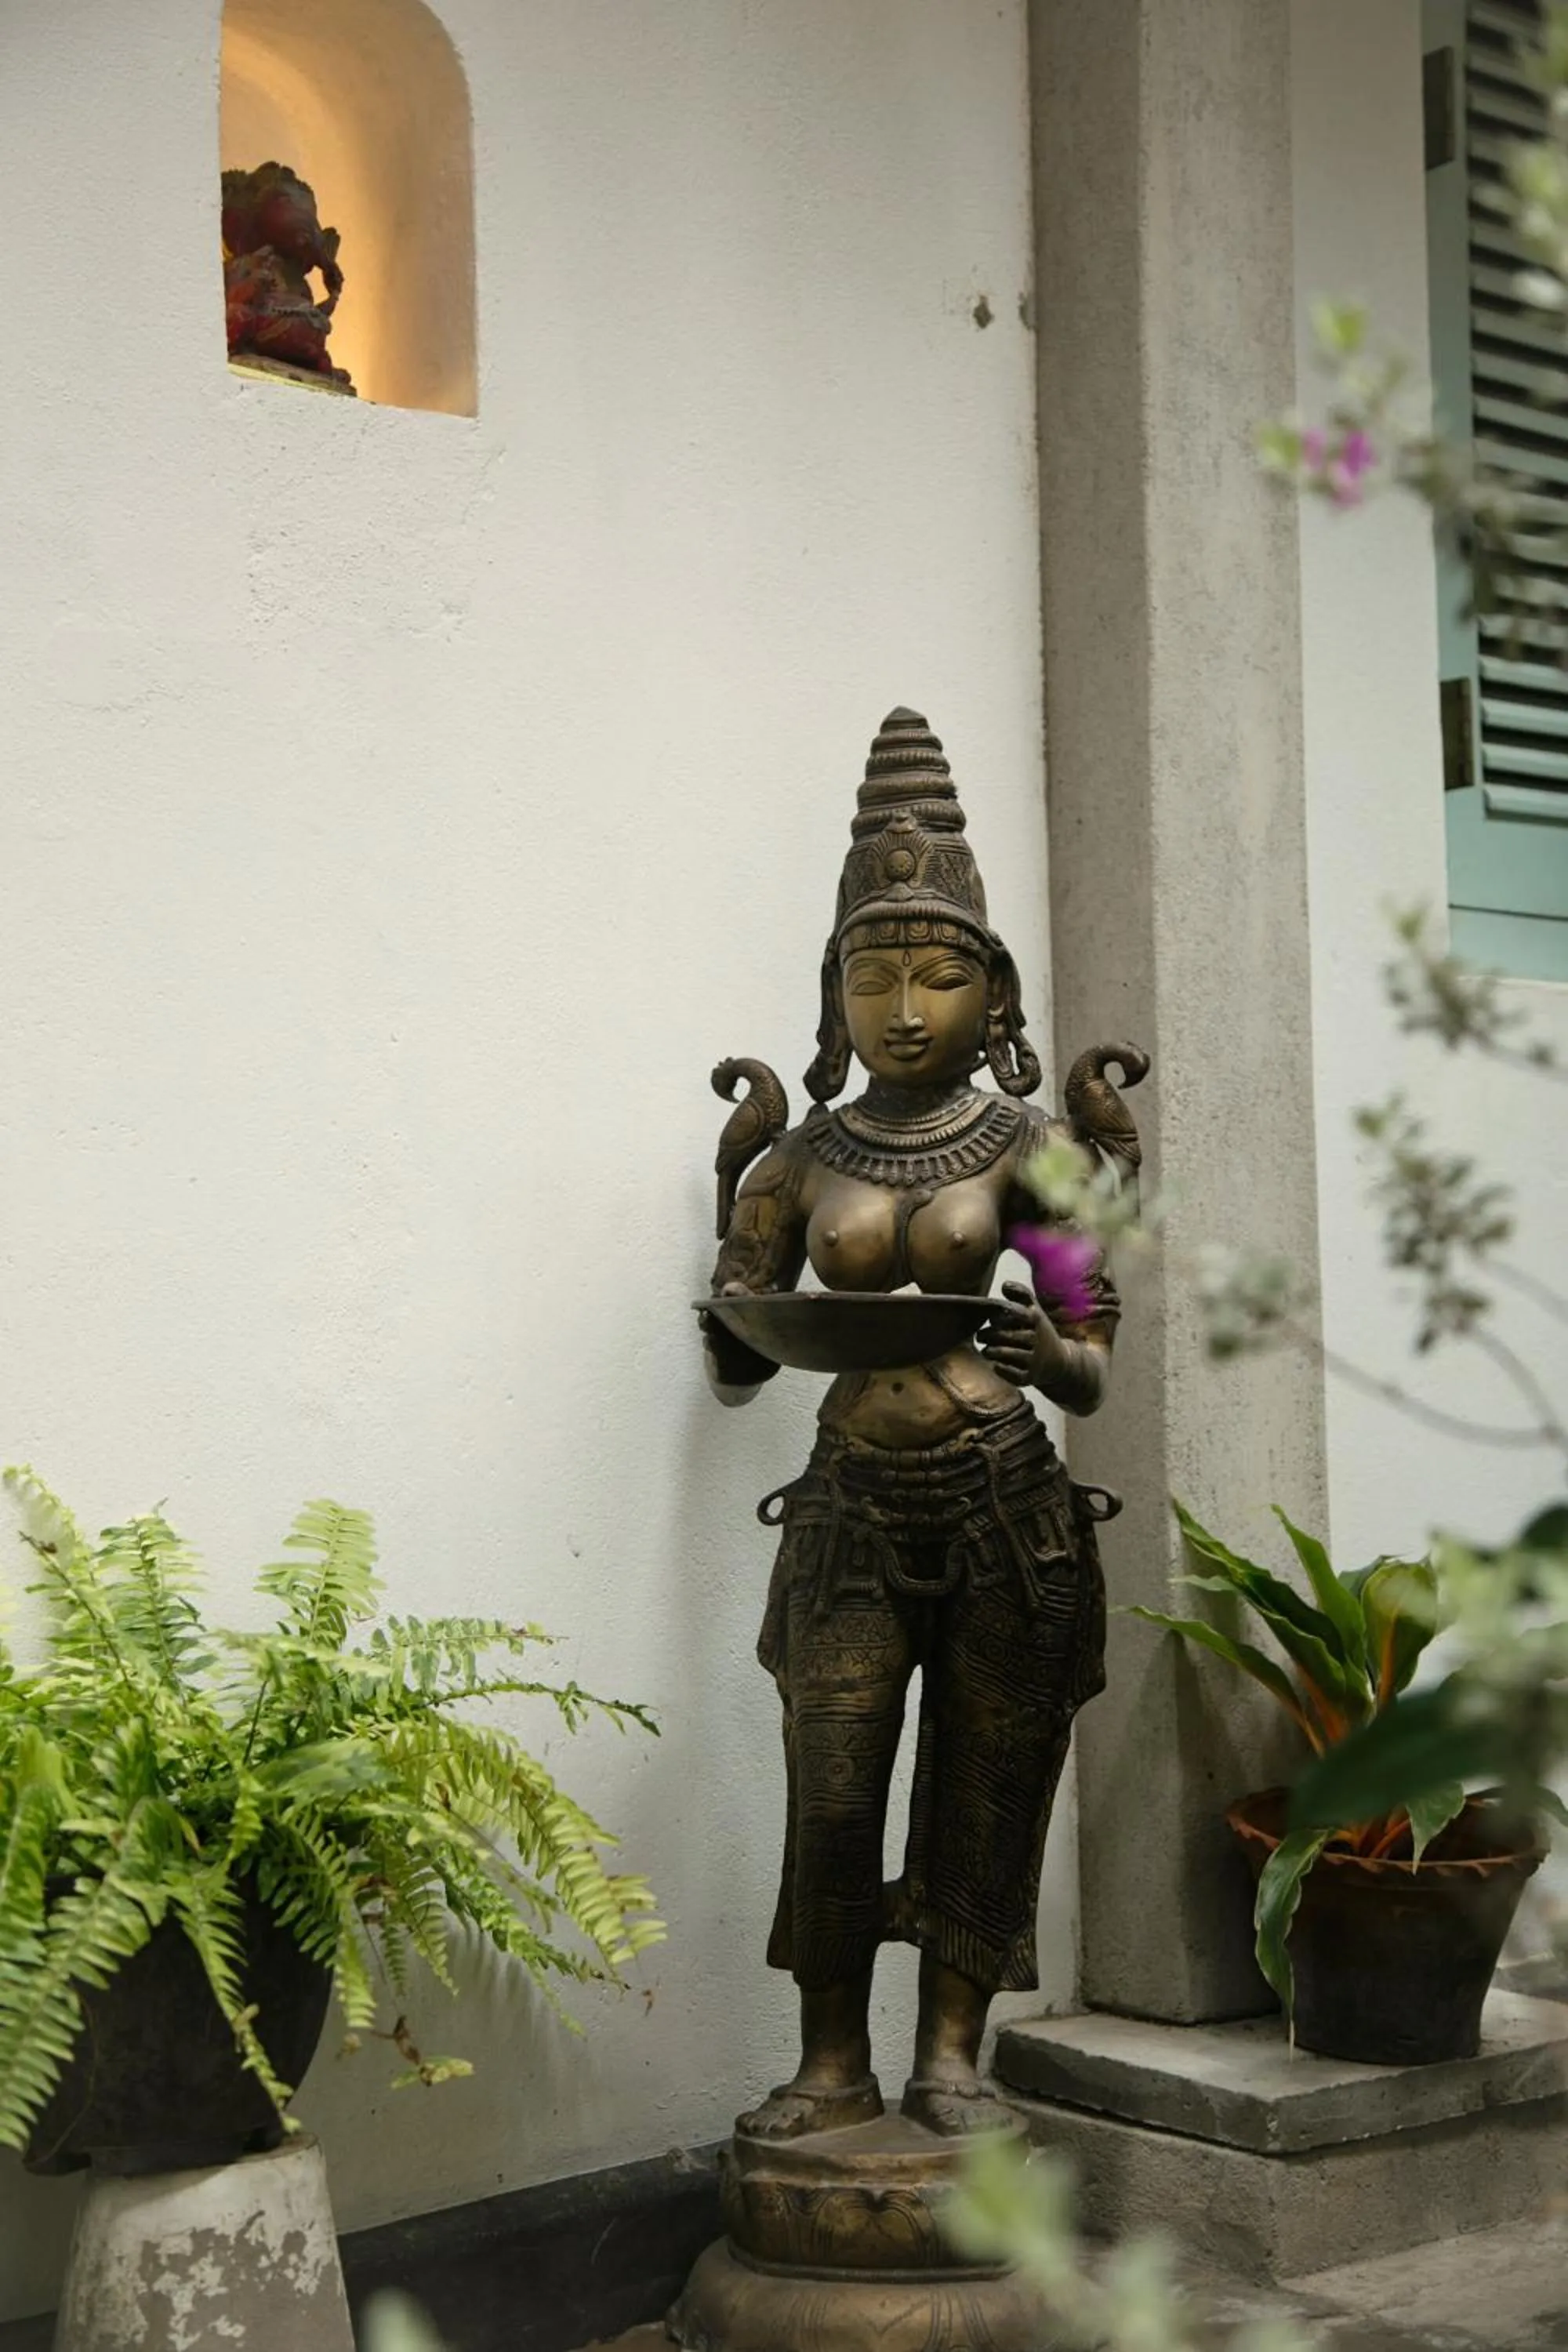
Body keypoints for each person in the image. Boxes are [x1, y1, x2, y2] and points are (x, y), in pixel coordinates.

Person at [702, 707, 1142, 2140]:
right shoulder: (798, 1156)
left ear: (993, 995)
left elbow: (1087, 1358)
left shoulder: (1032, 1152)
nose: (905, 1008)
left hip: (1002, 1493)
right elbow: (741, 1353)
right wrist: (735, 1308)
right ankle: (833, 2060)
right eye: (874, 977)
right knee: (833, 1789)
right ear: (833, 1000)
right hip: (850, 1507)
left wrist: (1049, 1348)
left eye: (939, 975)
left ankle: (951, 2053)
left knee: (986, 1777)